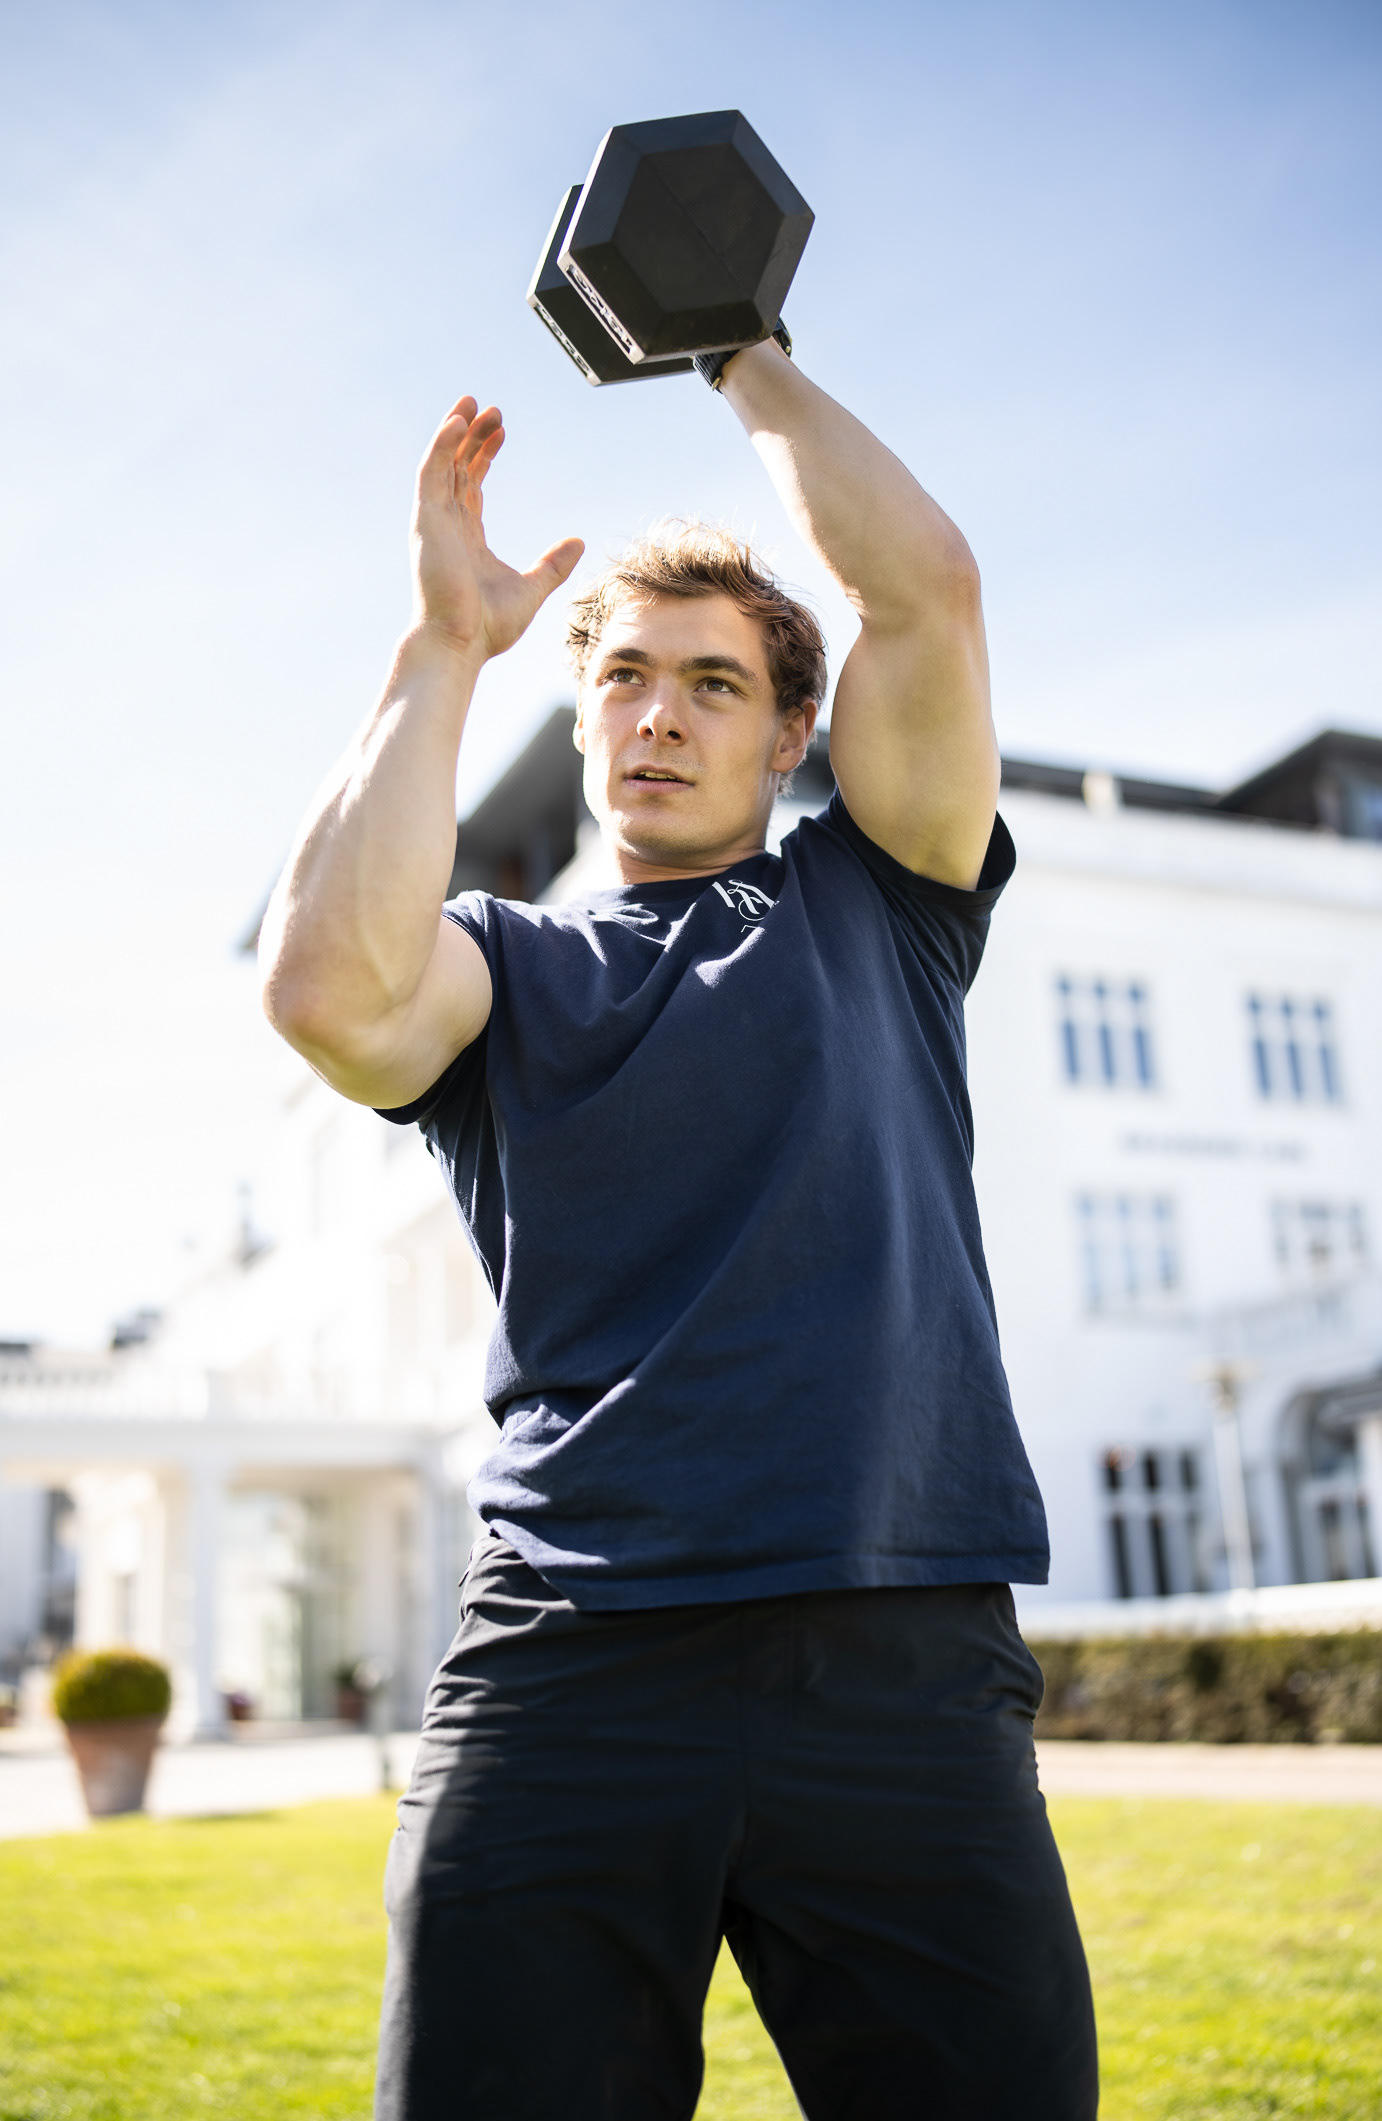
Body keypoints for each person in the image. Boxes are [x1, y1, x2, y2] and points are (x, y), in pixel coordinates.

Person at [259, 339, 1098, 2120]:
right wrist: (442, 648)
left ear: (794, 733)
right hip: (572, 1656)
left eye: (712, 685)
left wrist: (741, 354)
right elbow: (331, 990)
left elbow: (925, 591)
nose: (657, 715)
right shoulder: (507, 970)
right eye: (624, 678)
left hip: (894, 1653)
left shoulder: (882, 905)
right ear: (579, 718)